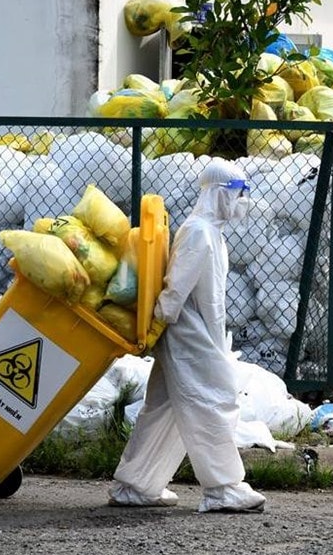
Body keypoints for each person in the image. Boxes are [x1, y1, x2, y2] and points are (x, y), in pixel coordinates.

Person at [108, 158, 266, 513]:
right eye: (238, 194)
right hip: (190, 336)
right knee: (214, 401)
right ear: (217, 195)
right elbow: (176, 288)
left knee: (164, 409)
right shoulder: (198, 232)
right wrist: (159, 324)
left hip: (194, 332)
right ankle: (223, 488)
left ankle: (135, 485)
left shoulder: (210, 232)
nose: (242, 202)